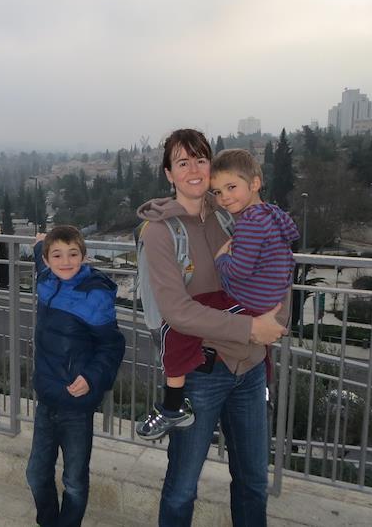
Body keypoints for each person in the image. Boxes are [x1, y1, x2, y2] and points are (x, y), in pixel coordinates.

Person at [136, 129, 289, 527]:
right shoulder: (159, 232)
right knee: (182, 487)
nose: (194, 169)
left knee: (253, 482)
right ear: (169, 174)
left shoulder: (230, 214)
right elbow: (177, 312)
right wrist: (250, 328)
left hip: (249, 370)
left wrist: (276, 319)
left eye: (201, 159)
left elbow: (272, 265)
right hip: (201, 375)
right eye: (182, 162)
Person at [25, 225, 126, 527]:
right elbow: (41, 256)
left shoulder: (94, 295)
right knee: (36, 473)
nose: (66, 261)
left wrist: (92, 378)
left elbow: (112, 345)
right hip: (47, 398)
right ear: (48, 259)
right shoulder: (46, 278)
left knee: (74, 480)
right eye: (57, 255)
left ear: (84, 256)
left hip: (76, 404)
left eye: (73, 254)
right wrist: (39, 243)